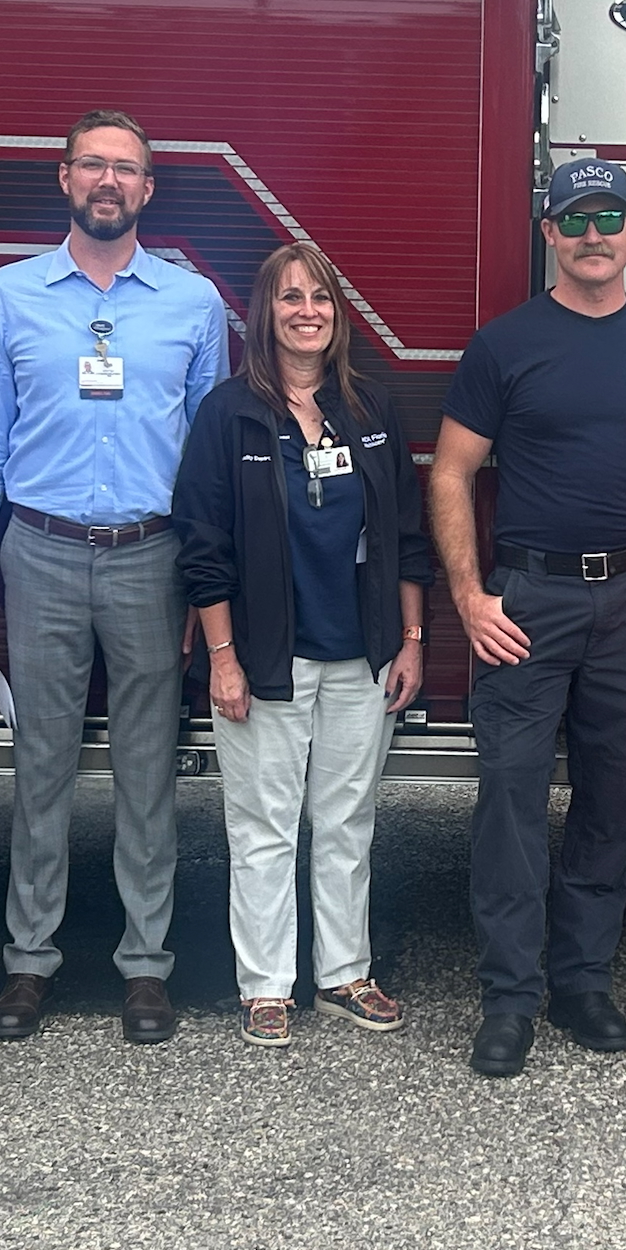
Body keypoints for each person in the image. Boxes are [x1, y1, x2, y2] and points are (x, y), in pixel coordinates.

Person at [429, 158, 626, 1079]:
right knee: (511, 803)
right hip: (528, 600)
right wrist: (471, 598)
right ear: (549, 234)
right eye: (574, 219)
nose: (593, 235)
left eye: (609, 218)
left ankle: (583, 982)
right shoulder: (505, 344)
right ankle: (510, 998)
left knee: (614, 795)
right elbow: (449, 474)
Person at [0, 111, 228, 1046]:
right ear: (64, 178)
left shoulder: (192, 304)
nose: (110, 182)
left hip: (151, 556)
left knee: (150, 770)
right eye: (94, 166)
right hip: (41, 551)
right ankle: (29, 963)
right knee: (41, 768)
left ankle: (145, 968)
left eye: (128, 170)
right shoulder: (8, 295)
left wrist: (200, 583)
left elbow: (208, 461)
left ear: (149, 191)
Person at [172, 244, 432, 1048]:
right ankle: (266, 985)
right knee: (262, 825)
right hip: (264, 658)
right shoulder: (229, 415)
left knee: (348, 819)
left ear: (337, 312)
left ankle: (345, 973)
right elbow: (202, 544)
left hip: (363, 653)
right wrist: (221, 657)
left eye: (319, 297)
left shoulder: (372, 413)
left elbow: (406, 537)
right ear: (265, 313)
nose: (306, 311)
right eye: (290, 298)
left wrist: (413, 638)